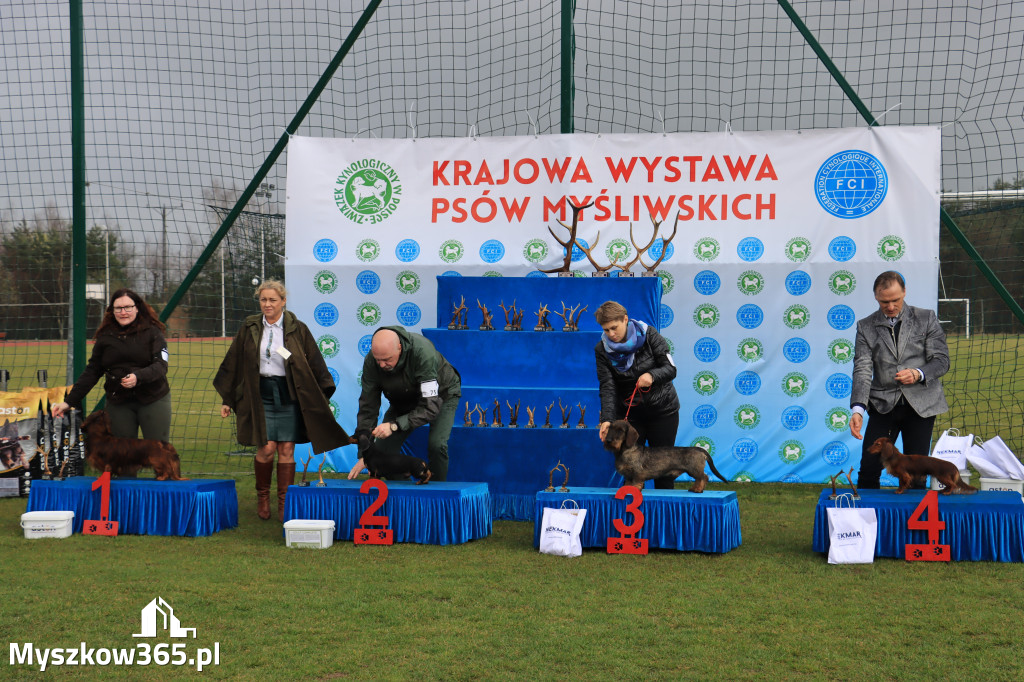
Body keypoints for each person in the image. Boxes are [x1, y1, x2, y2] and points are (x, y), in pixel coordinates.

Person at [214, 280, 349, 520]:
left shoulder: (298, 328)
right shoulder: (250, 326)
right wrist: (227, 398)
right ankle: (262, 497)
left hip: (288, 392)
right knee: (266, 448)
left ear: (283, 301)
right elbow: (233, 361)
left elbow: (314, 362)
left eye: (272, 300)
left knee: (287, 448)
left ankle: (284, 502)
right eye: (263, 300)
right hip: (260, 392)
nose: (267, 304)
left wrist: (320, 396)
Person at [850, 271, 950, 489]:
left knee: (916, 476)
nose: (891, 306)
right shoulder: (865, 326)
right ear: (876, 297)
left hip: (922, 405)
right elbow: (862, 369)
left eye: (896, 300)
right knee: (868, 470)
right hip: (883, 406)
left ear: (904, 292)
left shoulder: (926, 318)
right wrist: (857, 409)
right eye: (885, 301)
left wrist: (918, 373)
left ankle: (914, 522)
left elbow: (941, 361)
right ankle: (868, 520)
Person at [52, 289, 171, 446]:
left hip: (153, 398)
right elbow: (92, 372)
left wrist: (138, 377)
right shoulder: (105, 337)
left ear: (137, 308)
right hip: (119, 402)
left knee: (159, 452)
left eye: (128, 307)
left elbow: (161, 366)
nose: (123, 312)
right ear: (112, 311)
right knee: (123, 457)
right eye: (118, 308)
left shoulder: (153, 333)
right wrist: (68, 402)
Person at [348, 326, 461, 482]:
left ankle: (435, 493)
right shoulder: (371, 362)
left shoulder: (423, 353)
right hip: (403, 399)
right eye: (378, 359)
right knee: (383, 454)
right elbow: (368, 406)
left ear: (399, 348)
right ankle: (406, 496)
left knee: (437, 445)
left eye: (387, 359)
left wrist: (394, 425)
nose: (381, 365)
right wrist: (364, 454)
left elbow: (430, 408)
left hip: (440, 396)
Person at [594, 300, 680, 489]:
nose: (611, 334)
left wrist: (652, 375)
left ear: (625, 319)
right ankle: (630, 517)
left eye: (614, 328)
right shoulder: (601, 350)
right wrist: (607, 420)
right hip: (630, 418)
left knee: (664, 472)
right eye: (606, 330)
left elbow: (670, 369)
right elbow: (607, 387)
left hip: (663, 412)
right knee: (629, 470)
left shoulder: (649, 335)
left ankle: (663, 517)